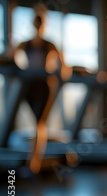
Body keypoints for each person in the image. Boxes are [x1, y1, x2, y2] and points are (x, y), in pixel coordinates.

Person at [13, 5, 68, 174]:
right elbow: (64, 70)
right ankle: (32, 162)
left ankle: (33, 162)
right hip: (31, 86)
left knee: (39, 124)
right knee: (38, 124)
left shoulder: (48, 45)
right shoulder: (26, 44)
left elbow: (63, 69)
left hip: (41, 86)